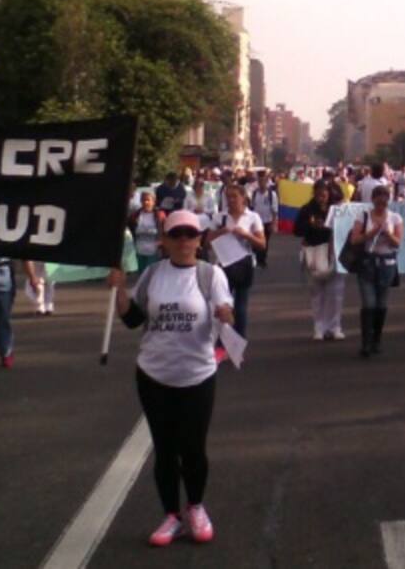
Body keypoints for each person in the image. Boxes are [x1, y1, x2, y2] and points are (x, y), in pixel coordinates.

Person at [108, 210, 234, 547]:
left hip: (197, 375)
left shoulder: (211, 275)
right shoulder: (152, 275)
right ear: (163, 240)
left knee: (193, 449)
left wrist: (226, 314)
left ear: (200, 239)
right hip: (154, 375)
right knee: (165, 450)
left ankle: (195, 507)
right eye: (175, 235)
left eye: (190, 235)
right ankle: (171, 516)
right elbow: (133, 319)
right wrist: (119, 291)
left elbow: (227, 310)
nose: (183, 241)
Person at [207, 185, 266, 339]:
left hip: (243, 264)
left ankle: (239, 340)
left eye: (235, 196)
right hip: (222, 265)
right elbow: (206, 241)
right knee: (222, 305)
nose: (231, 200)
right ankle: (222, 341)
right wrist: (222, 231)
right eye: (228, 197)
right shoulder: (219, 217)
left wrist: (246, 235)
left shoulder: (252, 217)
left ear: (243, 198)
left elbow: (261, 244)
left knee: (240, 306)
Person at [350, 185, 404, 357]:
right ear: (372, 200)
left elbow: (397, 243)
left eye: (384, 199)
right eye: (378, 199)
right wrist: (371, 233)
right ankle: (366, 342)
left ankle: (377, 339)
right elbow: (354, 240)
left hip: (386, 264)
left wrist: (387, 233)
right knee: (369, 303)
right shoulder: (363, 216)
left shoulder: (395, 218)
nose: (381, 203)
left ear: (388, 201)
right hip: (367, 263)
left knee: (381, 304)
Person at [294, 181, 346, 341]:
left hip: (335, 253)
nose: (321, 197)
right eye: (318, 194)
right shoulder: (306, 210)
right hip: (314, 252)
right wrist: (312, 226)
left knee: (336, 292)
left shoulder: (337, 210)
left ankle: (335, 326)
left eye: (324, 194)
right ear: (314, 193)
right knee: (317, 293)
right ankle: (319, 326)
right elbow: (297, 230)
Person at [248, 170, 279, 270]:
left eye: (263, 181)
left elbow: (275, 210)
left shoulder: (272, 195)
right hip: (256, 222)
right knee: (255, 242)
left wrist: (274, 223)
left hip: (267, 221)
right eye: (260, 181)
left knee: (264, 242)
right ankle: (256, 259)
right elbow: (251, 208)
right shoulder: (254, 194)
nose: (261, 183)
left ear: (266, 182)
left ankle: (262, 260)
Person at [129, 192, 166, 271]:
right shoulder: (135, 215)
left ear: (153, 202)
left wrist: (162, 242)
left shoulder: (160, 215)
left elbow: (165, 231)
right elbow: (131, 231)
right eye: (143, 200)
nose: (146, 202)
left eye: (148, 200)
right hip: (139, 249)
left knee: (151, 273)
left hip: (154, 250)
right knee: (141, 273)